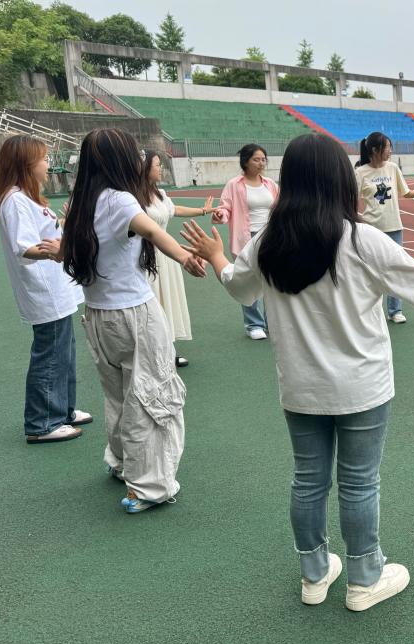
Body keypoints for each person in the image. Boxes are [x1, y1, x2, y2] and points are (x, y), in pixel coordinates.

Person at [180, 133, 414, 610]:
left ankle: (314, 574)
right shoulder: (362, 240)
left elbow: (238, 287)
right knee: (359, 483)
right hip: (363, 387)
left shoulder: (269, 242)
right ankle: (364, 579)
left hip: (301, 388)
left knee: (308, 481)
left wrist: (216, 253)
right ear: (340, 179)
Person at [61, 128, 205, 513]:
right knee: (151, 396)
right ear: (120, 160)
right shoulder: (120, 199)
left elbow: (76, 248)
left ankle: (122, 461)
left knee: (120, 395)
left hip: (98, 316)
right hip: (134, 315)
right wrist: (185, 257)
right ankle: (147, 487)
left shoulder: (80, 201)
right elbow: (153, 231)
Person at [0, 134, 91, 444]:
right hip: (43, 289)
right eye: (44, 159)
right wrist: (57, 252)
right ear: (27, 164)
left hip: (55, 288)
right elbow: (24, 246)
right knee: (50, 353)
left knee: (64, 351)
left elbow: (44, 235)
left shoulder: (27, 197)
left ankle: (62, 410)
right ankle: (41, 423)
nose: (48, 164)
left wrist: (63, 227)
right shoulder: (14, 200)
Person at [354, 132, 414, 324]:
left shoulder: (393, 168)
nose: (390, 151)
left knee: (395, 268)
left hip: (394, 227)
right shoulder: (360, 172)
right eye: (387, 147)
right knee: (370, 270)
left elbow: (406, 192)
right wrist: (360, 220)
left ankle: (395, 310)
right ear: (375, 150)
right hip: (371, 229)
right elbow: (351, 200)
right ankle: (371, 310)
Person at [139, 150, 214, 367]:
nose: (160, 168)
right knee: (150, 305)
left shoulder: (160, 194)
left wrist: (203, 211)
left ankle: (168, 351)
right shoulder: (132, 196)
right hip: (145, 257)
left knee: (167, 302)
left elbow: (175, 209)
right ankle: (148, 355)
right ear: (145, 168)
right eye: (157, 165)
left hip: (167, 256)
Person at [212, 144, 278, 340]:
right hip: (247, 237)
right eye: (256, 159)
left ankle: (272, 322)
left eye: (263, 159)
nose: (261, 163)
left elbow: (279, 206)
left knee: (272, 280)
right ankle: (254, 324)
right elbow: (225, 207)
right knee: (248, 278)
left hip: (271, 236)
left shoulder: (270, 184)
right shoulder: (234, 184)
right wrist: (221, 214)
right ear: (245, 162)